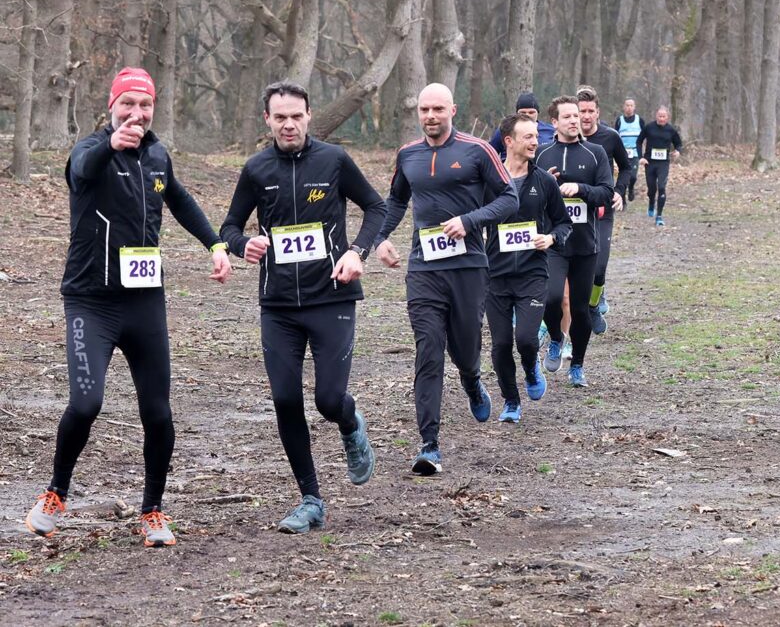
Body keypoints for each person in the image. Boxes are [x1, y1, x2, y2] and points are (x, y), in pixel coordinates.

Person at [25, 67, 233, 547]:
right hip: (90, 303)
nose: (136, 115)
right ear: (111, 105)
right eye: (128, 105)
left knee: (158, 414)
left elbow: (179, 200)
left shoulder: (158, 155)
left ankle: (153, 511)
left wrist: (215, 246)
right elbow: (82, 172)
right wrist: (110, 145)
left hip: (144, 303)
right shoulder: (89, 150)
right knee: (86, 402)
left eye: (145, 107)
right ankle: (56, 492)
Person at [219, 81, 385, 534]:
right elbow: (230, 225)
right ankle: (310, 498)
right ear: (267, 121)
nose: (288, 124)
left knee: (329, 400)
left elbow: (376, 206)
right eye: (280, 117)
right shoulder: (256, 168)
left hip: (331, 297)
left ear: (309, 116)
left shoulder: (333, 160)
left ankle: (351, 424)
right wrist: (242, 244)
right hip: (278, 306)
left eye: (296, 116)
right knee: (284, 398)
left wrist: (357, 252)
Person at [375, 83, 517, 475]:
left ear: (452, 109)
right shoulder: (408, 155)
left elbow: (509, 198)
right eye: (424, 109)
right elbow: (396, 201)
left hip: (469, 266)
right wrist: (380, 238)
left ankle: (472, 378)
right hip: (424, 269)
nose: (431, 116)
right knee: (429, 350)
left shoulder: (477, 150)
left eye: (438, 108)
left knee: (465, 346)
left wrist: (469, 221)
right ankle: (429, 445)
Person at [484, 114, 572, 423]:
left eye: (536, 136)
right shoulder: (489, 180)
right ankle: (511, 401)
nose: (536, 142)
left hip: (533, 273)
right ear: (508, 141)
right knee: (500, 344)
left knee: (524, 339)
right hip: (494, 274)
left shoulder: (544, 181)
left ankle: (532, 367)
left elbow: (564, 223)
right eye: (528, 137)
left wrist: (550, 238)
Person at [535, 96, 614, 387]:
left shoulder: (595, 153)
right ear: (553, 122)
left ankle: (578, 364)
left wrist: (580, 188)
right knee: (552, 297)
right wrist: (546, 183)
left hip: (584, 244)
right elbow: (527, 193)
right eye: (566, 116)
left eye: (576, 116)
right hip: (553, 242)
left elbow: (606, 192)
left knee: (580, 309)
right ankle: (556, 338)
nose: (573, 120)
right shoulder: (541, 155)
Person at [576, 85, 630, 334]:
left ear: (597, 113)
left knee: (599, 267)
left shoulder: (610, 137)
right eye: (581, 111)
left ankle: (593, 305)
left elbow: (626, 167)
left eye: (590, 111)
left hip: (601, 208)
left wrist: (619, 191)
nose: (586, 116)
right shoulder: (565, 137)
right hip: (572, 211)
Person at [636, 106, 683, 226]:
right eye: (659, 116)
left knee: (661, 187)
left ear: (667, 118)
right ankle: (651, 202)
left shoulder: (671, 130)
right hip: (650, 162)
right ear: (656, 116)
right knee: (652, 189)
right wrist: (640, 157)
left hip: (663, 163)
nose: (661, 119)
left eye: (664, 116)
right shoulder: (649, 127)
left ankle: (659, 216)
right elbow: (639, 141)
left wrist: (677, 151)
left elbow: (678, 143)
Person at [488, 92, 556, 160]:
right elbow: (489, 155)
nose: (527, 115)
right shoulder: (504, 130)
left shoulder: (551, 131)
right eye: (523, 112)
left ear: (537, 113)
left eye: (531, 112)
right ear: (517, 113)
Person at [614, 98, 645, 201]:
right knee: (622, 176)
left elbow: (645, 136)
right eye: (627, 105)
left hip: (635, 152)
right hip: (622, 153)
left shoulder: (639, 120)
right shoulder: (619, 120)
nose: (629, 107)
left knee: (633, 177)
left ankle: (630, 188)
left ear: (634, 107)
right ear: (624, 107)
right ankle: (622, 198)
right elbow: (615, 136)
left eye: (631, 105)